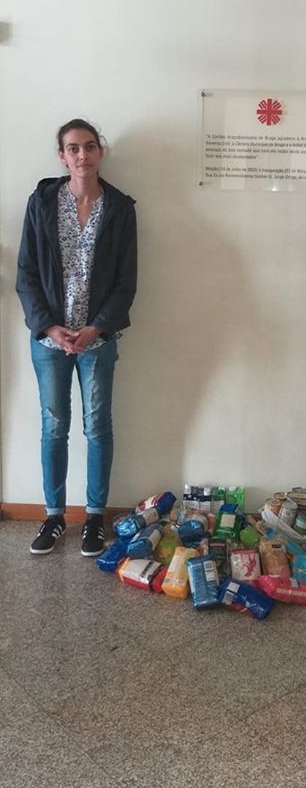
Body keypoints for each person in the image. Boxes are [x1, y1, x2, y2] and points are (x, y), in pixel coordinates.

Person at [16, 118, 137, 557]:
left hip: (97, 340)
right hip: (49, 340)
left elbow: (126, 280)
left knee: (97, 427)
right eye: (73, 148)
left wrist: (95, 327)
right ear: (62, 156)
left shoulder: (120, 208)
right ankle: (53, 516)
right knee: (54, 426)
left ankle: (93, 519)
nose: (82, 155)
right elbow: (26, 272)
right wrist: (49, 326)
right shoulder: (42, 203)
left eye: (89, 146)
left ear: (100, 151)